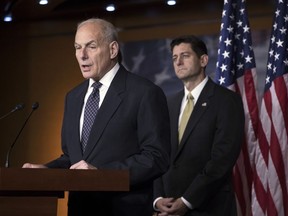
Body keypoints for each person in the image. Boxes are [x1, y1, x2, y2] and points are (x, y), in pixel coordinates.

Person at [23, 18, 171, 216]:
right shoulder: (73, 97)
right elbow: (72, 158)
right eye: (77, 47)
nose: (82, 55)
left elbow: (156, 157)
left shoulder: (144, 92)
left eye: (91, 47)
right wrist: (47, 170)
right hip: (80, 210)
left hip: (123, 210)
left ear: (112, 50)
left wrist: (102, 174)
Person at [153, 35, 244, 216]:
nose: (178, 62)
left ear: (203, 60)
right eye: (174, 57)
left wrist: (187, 201)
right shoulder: (168, 103)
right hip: (167, 208)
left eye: (185, 56)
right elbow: (158, 154)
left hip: (209, 207)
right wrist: (157, 199)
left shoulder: (226, 100)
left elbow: (222, 159)